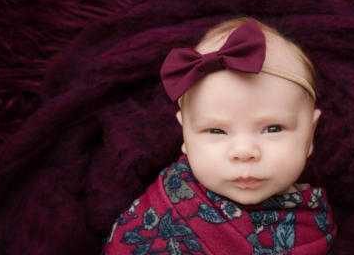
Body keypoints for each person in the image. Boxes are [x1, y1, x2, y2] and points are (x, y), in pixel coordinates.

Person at [101, 18, 337, 255]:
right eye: (216, 131)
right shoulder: (164, 206)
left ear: (311, 134)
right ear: (185, 136)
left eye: (273, 128)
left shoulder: (314, 215)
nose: (243, 151)